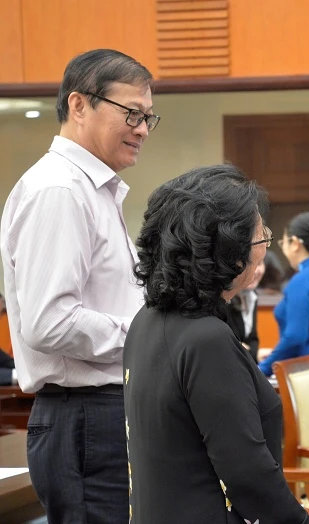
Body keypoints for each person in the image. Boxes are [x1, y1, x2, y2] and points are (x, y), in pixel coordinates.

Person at [0, 48, 156, 522]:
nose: (142, 130)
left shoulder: (92, 190)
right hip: (86, 416)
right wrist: (147, 336)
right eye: (132, 113)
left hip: (101, 414)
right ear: (79, 104)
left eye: (148, 117)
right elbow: (50, 322)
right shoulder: (60, 190)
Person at [124, 164, 309, 523]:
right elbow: (249, 475)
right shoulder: (206, 339)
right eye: (261, 238)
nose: (265, 249)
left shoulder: (145, 321)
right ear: (228, 252)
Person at [258, 212, 309, 375]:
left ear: (295, 243)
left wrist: (262, 369)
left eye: (283, 243)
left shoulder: (302, 280)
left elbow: (294, 337)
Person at [226, 257, 266, 362]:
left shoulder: (252, 296)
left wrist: (252, 352)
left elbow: (253, 339)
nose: (255, 271)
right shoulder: (223, 300)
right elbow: (229, 345)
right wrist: (253, 354)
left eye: (259, 264)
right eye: (248, 264)